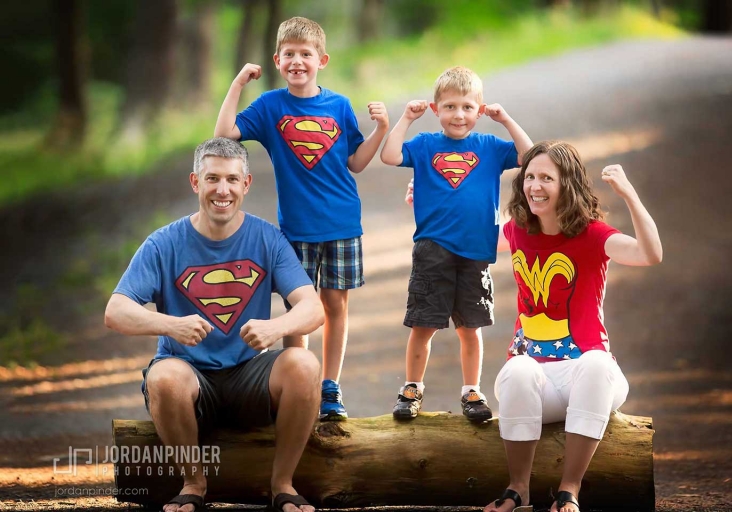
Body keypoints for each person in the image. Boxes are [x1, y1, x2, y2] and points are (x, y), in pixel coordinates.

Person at [104, 138, 324, 512]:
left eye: (232, 180)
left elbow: (313, 308)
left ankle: (282, 485)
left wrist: (275, 329)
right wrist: (171, 325)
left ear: (246, 184)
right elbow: (115, 311)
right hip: (189, 377)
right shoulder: (163, 244)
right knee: (164, 378)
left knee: (304, 365)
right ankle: (193, 484)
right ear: (195, 183)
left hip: (249, 376)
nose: (222, 190)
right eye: (212, 179)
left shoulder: (268, 238)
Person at [214, 16, 389, 421]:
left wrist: (380, 128)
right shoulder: (270, 106)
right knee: (297, 310)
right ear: (278, 60)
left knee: (334, 306)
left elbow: (356, 163)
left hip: (343, 223)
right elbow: (224, 135)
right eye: (289, 54)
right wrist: (239, 83)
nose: (297, 61)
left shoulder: (339, 106)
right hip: (295, 230)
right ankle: (299, 385)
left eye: (305, 54)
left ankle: (329, 387)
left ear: (321, 60)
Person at [485, 141, 662, 512]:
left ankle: (569, 490)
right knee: (517, 369)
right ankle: (518, 489)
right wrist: (424, 204)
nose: (535, 186)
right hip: (537, 383)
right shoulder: (517, 231)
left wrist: (629, 193)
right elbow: (466, 238)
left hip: (589, 377)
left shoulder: (594, 235)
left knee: (597, 363)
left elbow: (651, 254)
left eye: (547, 178)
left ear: (568, 185)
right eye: (529, 177)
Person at [380, 66, 533, 422]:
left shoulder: (491, 147)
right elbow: (389, 156)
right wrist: (405, 118)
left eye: (467, 107)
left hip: (475, 253)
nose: (458, 115)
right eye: (449, 107)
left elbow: (528, 156)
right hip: (432, 249)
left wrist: (506, 119)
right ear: (436, 110)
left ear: (480, 111)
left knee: (470, 328)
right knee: (423, 325)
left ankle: (471, 391)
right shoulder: (425, 145)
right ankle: (412, 387)